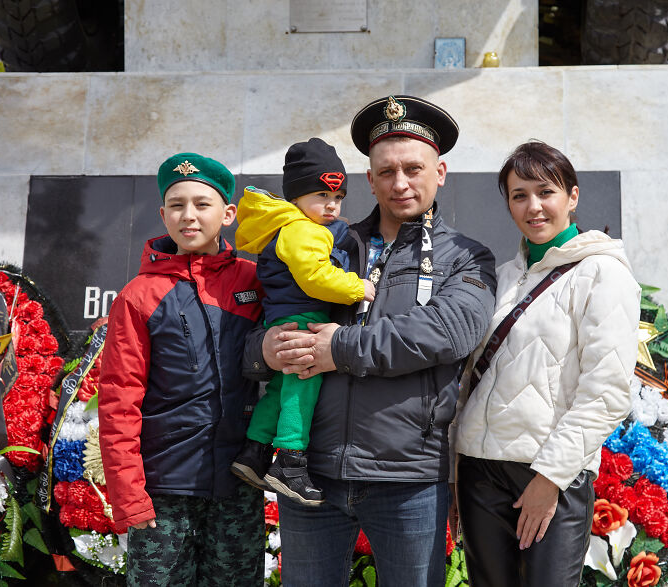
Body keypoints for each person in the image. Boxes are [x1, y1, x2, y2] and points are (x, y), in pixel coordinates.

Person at [244, 95, 497, 587]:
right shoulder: (325, 242)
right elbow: (263, 317)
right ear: (369, 179)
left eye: (412, 168)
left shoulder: (467, 256)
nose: (400, 183)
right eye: (386, 172)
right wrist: (264, 350)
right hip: (309, 475)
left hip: (409, 479)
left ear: (440, 172)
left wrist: (338, 349)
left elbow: (449, 332)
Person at [450, 140, 641, 587]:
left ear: (572, 197)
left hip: (550, 473)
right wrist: (456, 475)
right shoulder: (503, 278)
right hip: (480, 470)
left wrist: (549, 479)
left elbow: (607, 393)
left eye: (545, 192)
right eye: (519, 195)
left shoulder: (602, 273)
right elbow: (467, 381)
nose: (533, 206)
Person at [98, 153, 265, 586]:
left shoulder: (255, 280)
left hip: (237, 484)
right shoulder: (138, 296)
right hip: (162, 491)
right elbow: (119, 399)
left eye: (202, 204)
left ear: (228, 213)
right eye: (176, 205)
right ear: (162, 214)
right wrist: (129, 494)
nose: (188, 216)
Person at [230, 137, 375, 506]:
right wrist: (356, 287)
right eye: (321, 196)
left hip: (283, 317)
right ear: (296, 198)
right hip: (304, 319)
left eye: (338, 197)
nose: (331, 206)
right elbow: (316, 277)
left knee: (280, 390)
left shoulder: (289, 227)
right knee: (302, 390)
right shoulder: (304, 230)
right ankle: (290, 464)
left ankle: (255, 453)